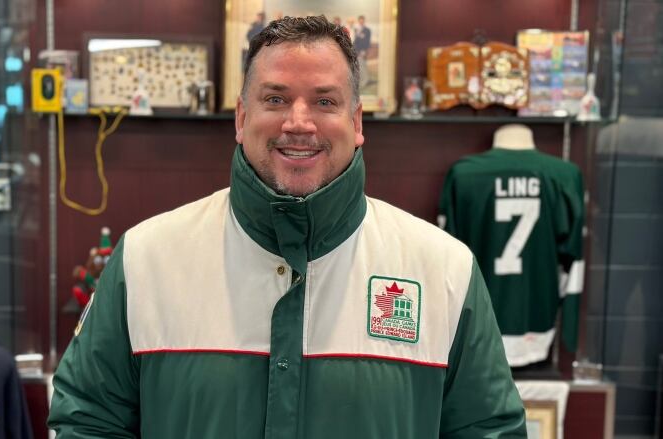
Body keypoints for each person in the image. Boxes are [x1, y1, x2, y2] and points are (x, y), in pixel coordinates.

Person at [48, 15, 526, 438]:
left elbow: (489, 430)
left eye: (324, 102)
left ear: (357, 121)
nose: (299, 122)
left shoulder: (444, 268)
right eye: (275, 98)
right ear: (241, 116)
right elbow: (87, 421)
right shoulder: (146, 258)